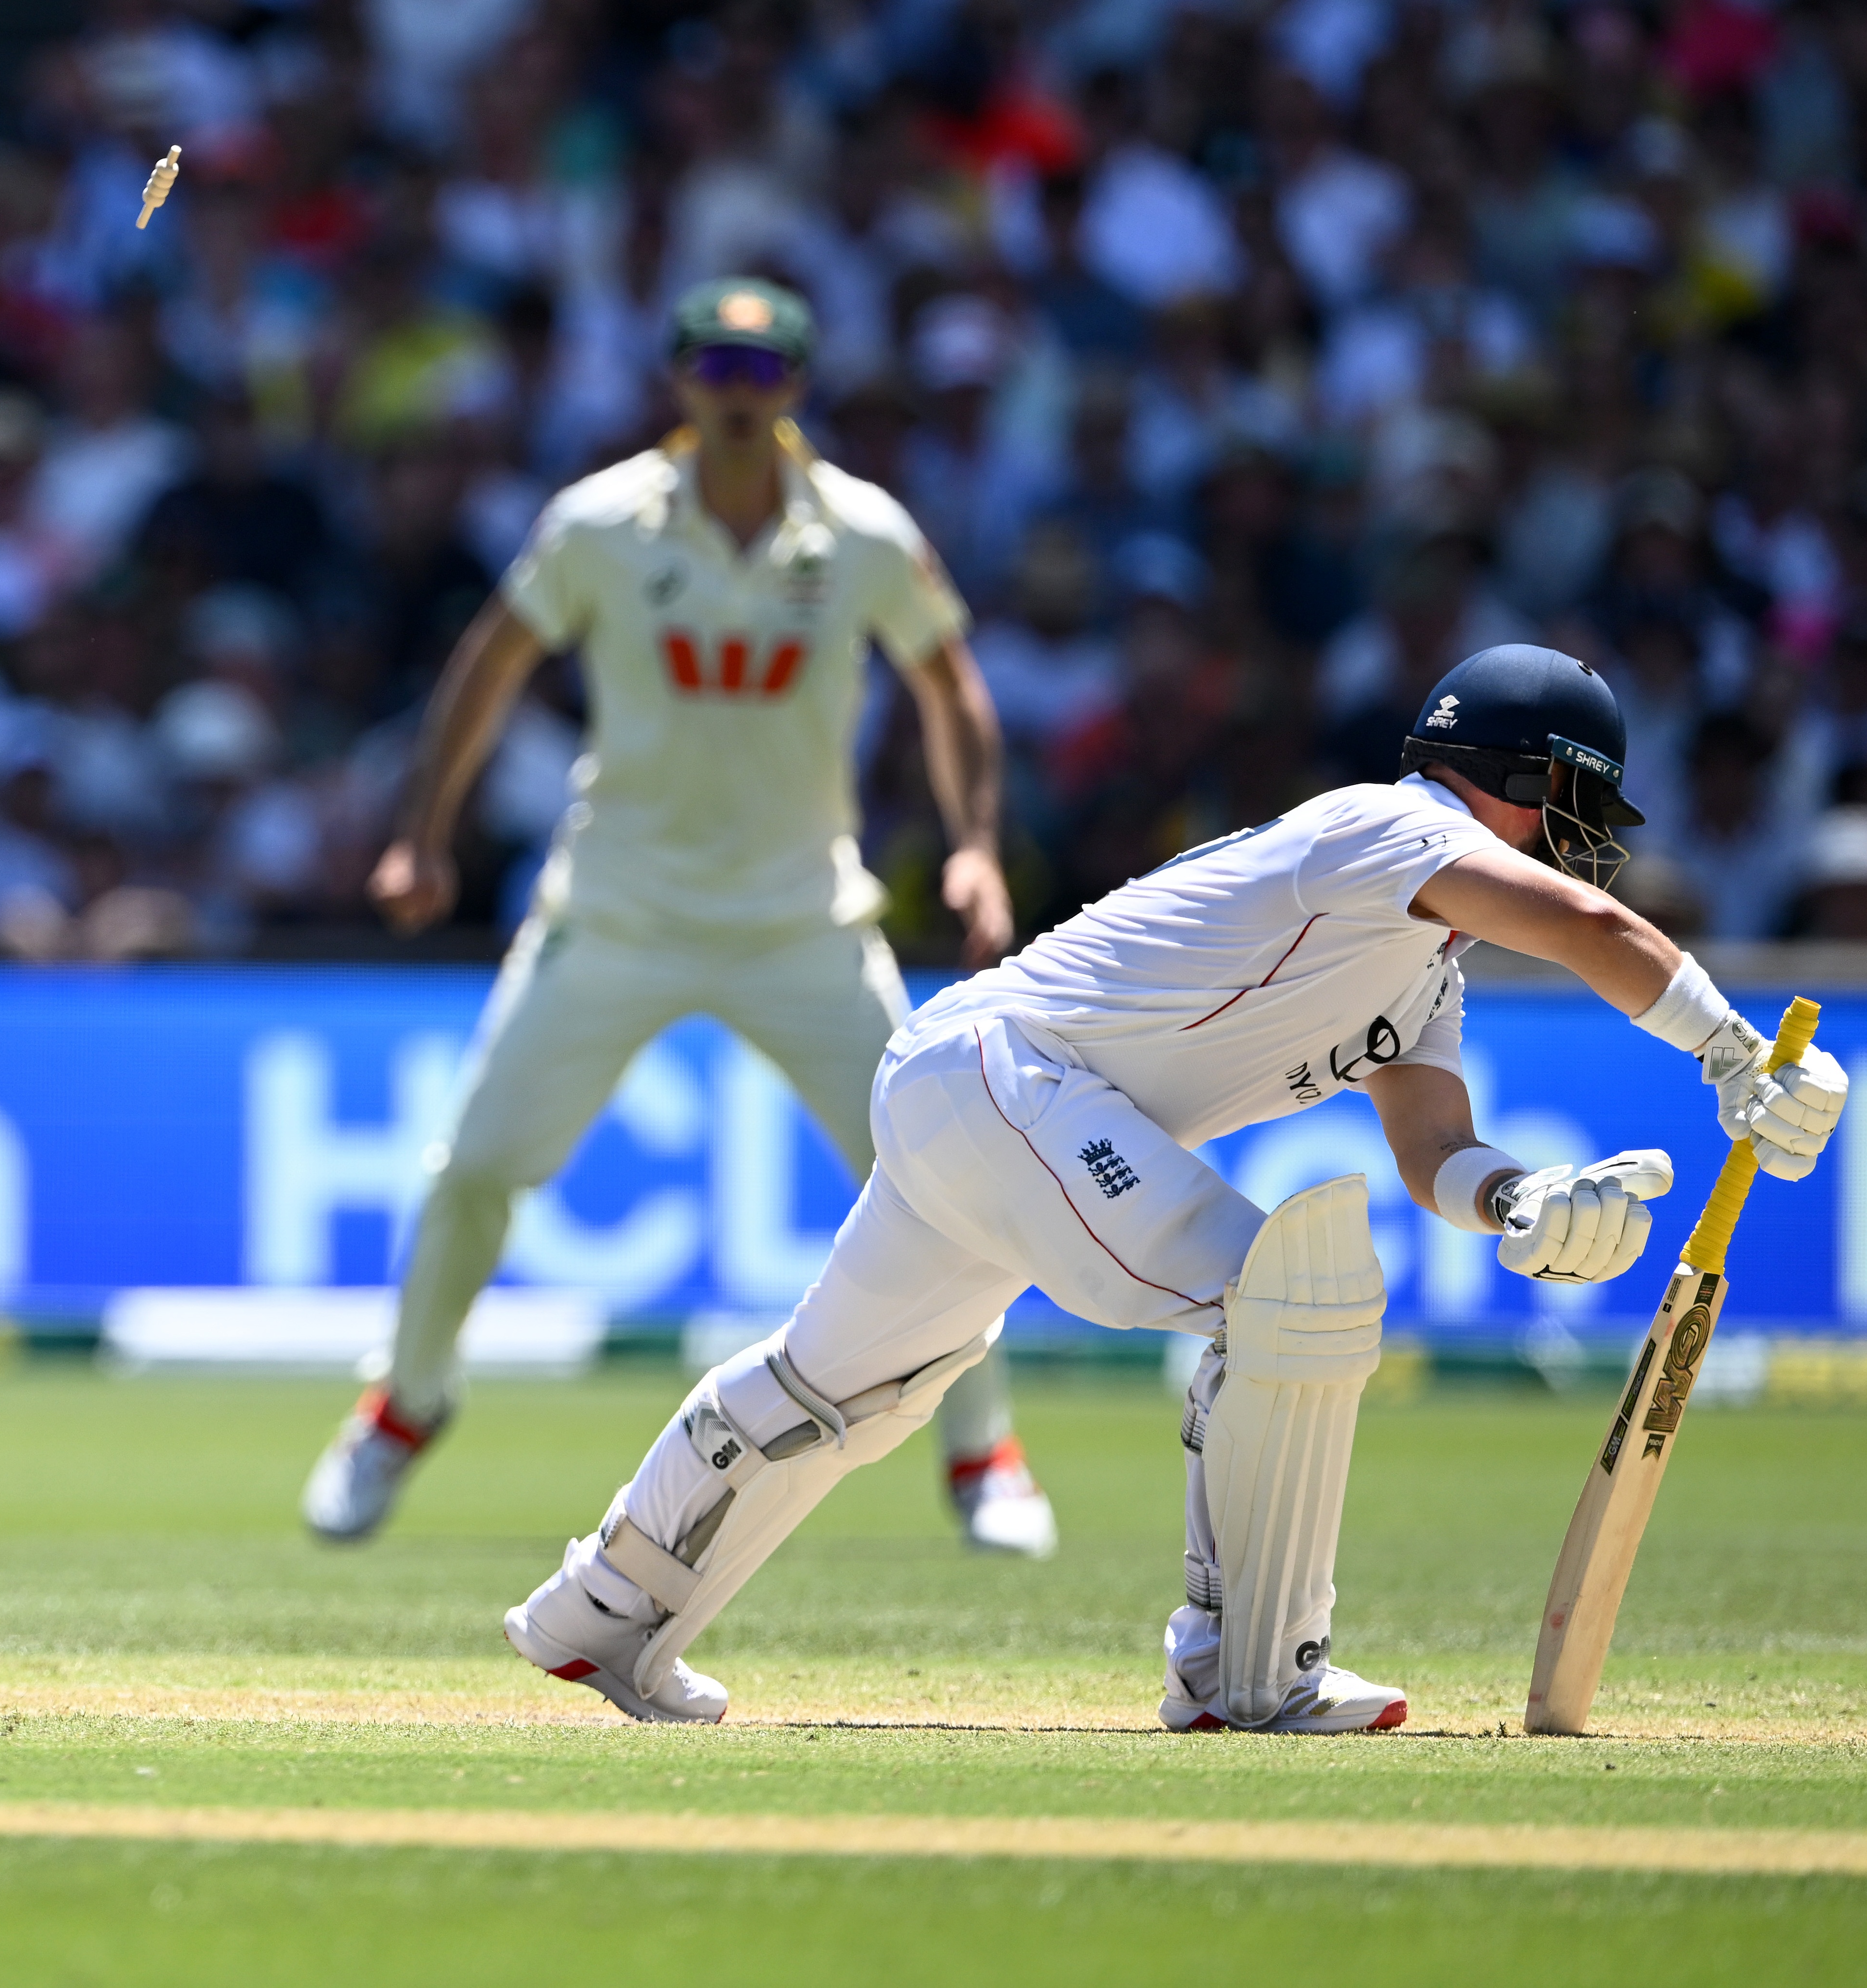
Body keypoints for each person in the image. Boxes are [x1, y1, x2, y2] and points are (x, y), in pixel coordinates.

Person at [502, 645, 1848, 1729]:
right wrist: (1731, 1055)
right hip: (1011, 1076)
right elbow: (1592, 930)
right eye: (1573, 808)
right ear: (1509, 778)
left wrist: (1515, 1204)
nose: (1580, 845)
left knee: (836, 1385)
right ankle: (1246, 1675)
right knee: (1288, 1300)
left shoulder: (1423, 964)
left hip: (979, 1088)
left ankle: (595, 1614)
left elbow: (1431, 1145)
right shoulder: (1381, 828)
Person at [304, 277, 1058, 1556]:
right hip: (619, 906)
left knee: (933, 1179)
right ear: (676, 380)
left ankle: (980, 1447)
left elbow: (952, 691)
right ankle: (403, 1406)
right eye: (714, 367)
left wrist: (977, 848)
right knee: (476, 1169)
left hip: (801, 916)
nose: (736, 394)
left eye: (761, 374)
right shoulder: (602, 522)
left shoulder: (861, 533)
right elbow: (488, 665)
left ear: (797, 390)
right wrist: (419, 835)